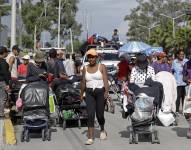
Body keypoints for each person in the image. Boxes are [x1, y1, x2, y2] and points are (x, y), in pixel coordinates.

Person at [80, 48, 109, 145]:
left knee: (100, 115)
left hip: (100, 92)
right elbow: (83, 82)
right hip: (89, 93)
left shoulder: (102, 67)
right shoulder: (85, 68)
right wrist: (81, 94)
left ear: (96, 58)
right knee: (90, 115)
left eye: (93, 57)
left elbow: (105, 80)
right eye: (89, 57)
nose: (91, 59)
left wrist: (106, 91)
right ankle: (91, 137)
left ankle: (102, 129)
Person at [0, 46, 11, 117]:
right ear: (4, 53)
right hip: (2, 81)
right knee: (3, 98)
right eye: (7, 52)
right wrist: (7, 84)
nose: (7, 53)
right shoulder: (3, 62)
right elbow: (5, 73)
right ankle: (1, 113)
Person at [182, 56, 191, 138]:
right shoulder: (186, 64)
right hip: (189, 88)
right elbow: (184, 77)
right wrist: (187, 80)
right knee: (187, 112)